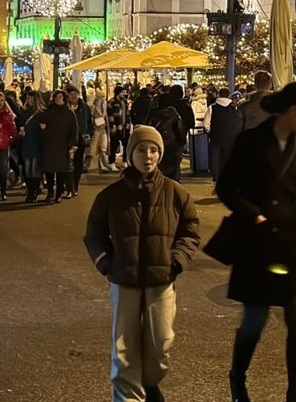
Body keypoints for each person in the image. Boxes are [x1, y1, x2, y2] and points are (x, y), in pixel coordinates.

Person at [216, 82, 296, 402]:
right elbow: (226, 188)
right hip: (258, 243)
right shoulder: (250, 141)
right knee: (254, 321)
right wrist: (255, 215)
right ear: (292, 111)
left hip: (295, 244)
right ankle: (238, 377)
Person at [84, 125, 201, 402]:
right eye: (140, 149)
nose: (147, 156)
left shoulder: (176, 193)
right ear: (130, 152)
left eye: (153, 150)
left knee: (159, 346)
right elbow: (94, 233)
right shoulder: (111, 196)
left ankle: (149, 386)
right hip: (123, 280)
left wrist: (177, 260)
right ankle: (127, 396)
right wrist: (105, 263)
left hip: (162, 281)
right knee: (124, 349)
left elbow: (190, 230)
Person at [41, 89, 79, 203]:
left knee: (61, 170)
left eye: (60, 97)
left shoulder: (69, 113)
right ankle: (50, 193)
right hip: (50, 144)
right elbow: (43, 125)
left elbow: (74, 129)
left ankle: (58, 193)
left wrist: (73, 144)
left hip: (63, 145)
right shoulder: (49, 111)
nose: (58, 99)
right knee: (49, 171)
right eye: (57, 97)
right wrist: (43, 129)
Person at [205, 87, 242, 183]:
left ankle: (216, 177)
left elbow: (206, 123)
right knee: (227, 157)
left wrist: (210, 131)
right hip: (231, 136)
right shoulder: (234, 107)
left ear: (218, 95)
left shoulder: (212, 107)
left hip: (216, 136)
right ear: (229, 95)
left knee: (214, 157)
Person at [146, 92, 185, 182]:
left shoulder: (153, 113)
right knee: (173, 171)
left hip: (157, 144)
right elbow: (180, 131)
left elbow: (147, 128)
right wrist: (181, 143)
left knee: (157, 167)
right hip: (172, 145)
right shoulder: (174, 115)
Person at [21, 92, 45, 202]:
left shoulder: (42, 114)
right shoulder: (25, 112)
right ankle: (31, 190)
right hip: (27, 142)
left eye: (30, 98)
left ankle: (34, 191)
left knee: (34, 169)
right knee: (27, 169)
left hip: (37, 143)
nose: (28, 100)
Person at [90, 84, 112, 173]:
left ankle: (103, 165)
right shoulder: (93, 107)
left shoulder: (105, 107)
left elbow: (105, 117)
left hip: (104, 129)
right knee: (95, 149)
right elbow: (91, 117)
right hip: (96, 130)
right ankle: (97, 166)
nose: (103, 100)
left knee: (104, 148)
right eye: (101, 98)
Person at [107, 86, 130, 168]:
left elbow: (127, 114)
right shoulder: (112, 102)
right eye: (122, 92)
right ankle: (112, 162)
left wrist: (128, 123)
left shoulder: (124, 102)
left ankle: (125, 160)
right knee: (114, 145)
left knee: (126, 144)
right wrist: (112, 125)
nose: (124, 94)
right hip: (116, 127)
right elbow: (110, 115)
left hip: (124, 127)